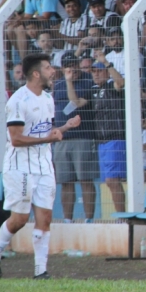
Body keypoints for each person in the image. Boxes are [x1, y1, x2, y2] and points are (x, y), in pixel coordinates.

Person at [0, 54, 82, 280]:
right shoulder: (18, 101)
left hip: (45, 166)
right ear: (36, 74)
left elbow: (46, 132)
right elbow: (17, 139)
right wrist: (49, 138)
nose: (53, 71)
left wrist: (65, 127)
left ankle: (41, 271)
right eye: (48, 68)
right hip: (19, 168)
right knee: (19, 220)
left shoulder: (48, 98)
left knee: (45, 218)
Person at [53, 53, 97, 223]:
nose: (72, 69)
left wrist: (69, 81)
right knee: (66, 181)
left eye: (74, 65)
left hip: (82, 137)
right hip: (62, 139)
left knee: (85, 179)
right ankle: (67, 220)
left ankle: (89, 219)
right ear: (63, 68)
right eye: (68, 66)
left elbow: (76, 103)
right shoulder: (57, 85)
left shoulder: (88, 81)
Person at [90, 57, 127, 214]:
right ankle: (120, 215)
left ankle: (122, 217)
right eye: (93, 71)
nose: (96, 74)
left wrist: (107, 63)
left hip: (115, 139)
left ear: (107, 72)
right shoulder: (94, 91)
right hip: (101, 142)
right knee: (109, 182)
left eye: (100, 71)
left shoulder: (112, 86)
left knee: (113, 180)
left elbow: (121, 82)